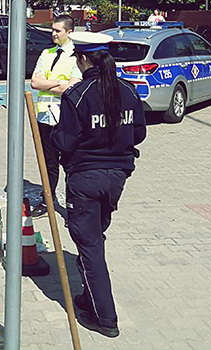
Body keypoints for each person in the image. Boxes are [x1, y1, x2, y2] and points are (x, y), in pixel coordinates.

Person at [50, 32, 146, 338]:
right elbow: (140, 134)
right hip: (117, 179)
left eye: (76, 59)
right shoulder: (128, 91)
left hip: (85, 180)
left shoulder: (76, 96)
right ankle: (88, 297)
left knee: (91, 248)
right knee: (94, 238)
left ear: (83, 59)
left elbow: (66, 141)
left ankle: (106, 319)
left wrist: (52, 133)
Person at [30, 14, 82, 217]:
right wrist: (58, 83)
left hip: (65, 117)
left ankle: (72, 207)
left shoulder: (77, 55)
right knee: (48, 164)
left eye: (57, 30)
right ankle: (47, 201)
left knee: (70, 164)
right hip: (44, 116)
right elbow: (34, 83)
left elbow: (73, 87)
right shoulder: (47, 53)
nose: (53, 33)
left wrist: (48, 82)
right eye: (52, 29)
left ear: (69, 32)